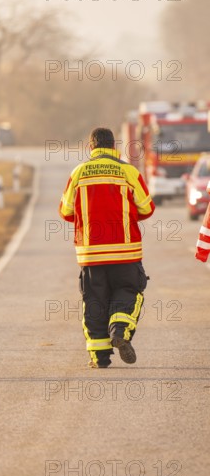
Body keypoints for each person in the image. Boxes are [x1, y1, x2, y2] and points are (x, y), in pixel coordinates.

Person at [59, 128, 155, 368]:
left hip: (91, 254)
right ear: (114, 146)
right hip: (126, 252)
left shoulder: (79, 172)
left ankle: (99, 358)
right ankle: (120, 329)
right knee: (127, 290)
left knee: (94, 302)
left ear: (90, 147)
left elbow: (65, 211)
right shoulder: (129, 171)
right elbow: (147, 208)